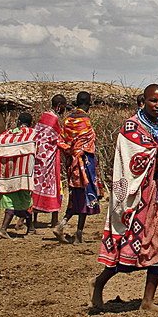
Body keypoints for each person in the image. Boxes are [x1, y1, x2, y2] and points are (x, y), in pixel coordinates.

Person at [91, 84, 158, 313]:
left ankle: (147, 301)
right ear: (143, 101)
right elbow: (129, 156)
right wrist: (155, 153)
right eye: (153, 101)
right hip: (136, 196)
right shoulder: (131, 127)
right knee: (127, 247)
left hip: (157, 194)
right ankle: (99, 283)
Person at [54, 91, 101, 244]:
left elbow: (64, 141)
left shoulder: (67, 119)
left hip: (72, 164)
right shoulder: (85, 119)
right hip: (84, 164)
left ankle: (61, 225)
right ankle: (78, 234)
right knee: (86, 197)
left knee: (75, 197)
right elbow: (88, 143)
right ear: (88, 104)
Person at [0, 112, 37, 238]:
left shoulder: (8, 134)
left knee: (11, 200)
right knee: (26, 200)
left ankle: (30, 228)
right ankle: (4, 229)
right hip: (24, 175)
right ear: (30, 123)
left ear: (18, 121)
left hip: (8, 174)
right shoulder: (32, 133)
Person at [32, 95, 66, 228]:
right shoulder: (54, 119)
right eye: (63, 106)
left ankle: (32, 221)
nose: (64, 109)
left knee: (36, 186)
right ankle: (54, 220)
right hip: (49, 160)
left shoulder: (43, 116)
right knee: (55, 186)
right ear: (59, 105)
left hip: (38, 158)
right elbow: (58, 139)